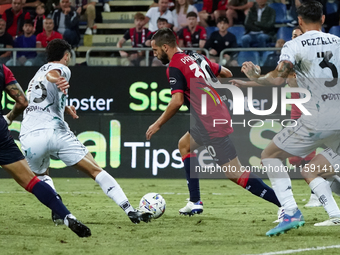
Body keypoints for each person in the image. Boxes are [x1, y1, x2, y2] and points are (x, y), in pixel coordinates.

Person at [146, 28, 284, 218]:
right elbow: (225, 72)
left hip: (210, 120)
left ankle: (284, 204)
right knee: (184, 145)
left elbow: (176, 101)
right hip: (211, 114)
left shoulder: (175, 66)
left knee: (235, 173)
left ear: (165, 47)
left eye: (155, 50)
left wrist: (158, 124)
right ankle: (195, 201)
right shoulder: (194, 55)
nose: (154, 54)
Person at [232, 1, 340, 236]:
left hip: (317, 119)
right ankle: (335, 215)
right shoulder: (339, 43)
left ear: (299, 21)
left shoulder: (294, 45)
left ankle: (291, 211)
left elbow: (278, 78)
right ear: (323, 19)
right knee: (321, 169)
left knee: (269, 155)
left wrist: (257, 77)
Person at [19, 39, 152, 225]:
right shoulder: (61, 69)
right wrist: (57, 79)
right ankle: (130, 210)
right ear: (66, 56)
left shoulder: (34, 79)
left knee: (41, 175)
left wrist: (65, 108)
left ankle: (57, 210)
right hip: (54, 132)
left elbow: (38, 102)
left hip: (30, 135)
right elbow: (53, 74)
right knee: (95, 169)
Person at [0, 63, 90, 238]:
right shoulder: (3, 69)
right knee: (33, 181)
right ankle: (67, 216)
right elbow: (23, 101)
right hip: (0, 131)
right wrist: (9, 118)